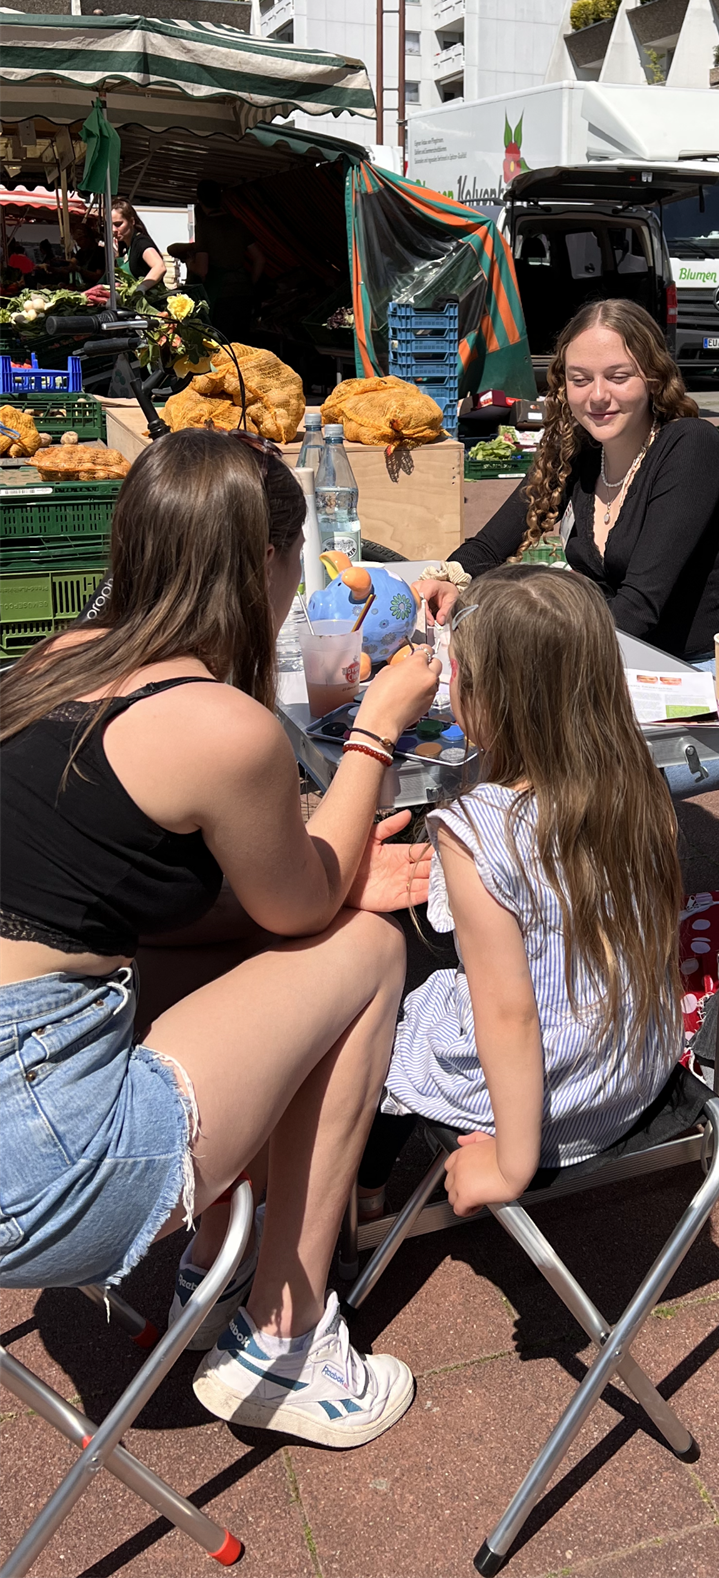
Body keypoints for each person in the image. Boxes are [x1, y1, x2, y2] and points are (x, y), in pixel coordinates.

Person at [0, 429, 441, 1449]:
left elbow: (162, 895)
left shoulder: (53, 663)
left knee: (235, 953)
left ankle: (213, 1255)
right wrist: (377, 727)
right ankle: (288, 1343)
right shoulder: (219, 726)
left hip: (22, 1086)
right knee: (365, 954)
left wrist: (302, 892)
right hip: (42, 1171)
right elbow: (303, 904)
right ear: (268, 564)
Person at [357, 568, 684, 1224]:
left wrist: (512, 1161)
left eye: (459, 674)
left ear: (487, 698)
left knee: (389, 1013)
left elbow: (509, 1017)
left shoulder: (474, 828)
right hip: (632, 1070)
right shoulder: (634, 784)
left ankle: (364, 1191)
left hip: (548, 1108)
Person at [416, 298, 719, 798]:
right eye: (580, 379)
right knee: (478, 754)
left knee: (543, 774)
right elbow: (490, 546)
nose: (597, 396)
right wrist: (445, 578)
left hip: (706, 695)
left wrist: (525, 648)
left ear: (652, 376)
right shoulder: (577, 454)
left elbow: (638, 609)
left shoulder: (690, 446)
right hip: (617, 680)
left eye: (618, 376)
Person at [179, 179, 265, 344]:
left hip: (220, 297)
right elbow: (260, 259)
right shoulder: (237, 223)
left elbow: (202, 269)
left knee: (222, 347)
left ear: (199, 200)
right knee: (243, 348)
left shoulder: (205, 226)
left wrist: (190, 263)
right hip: (244, 294)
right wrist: (249, 283)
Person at [111, 199, 166, 295]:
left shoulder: (141, 242)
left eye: (118, 224)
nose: (113, 230)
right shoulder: (125, 246)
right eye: (109, 225)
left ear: (131, 221)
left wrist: (141, 288)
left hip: (150, 302)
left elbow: (159, 267)